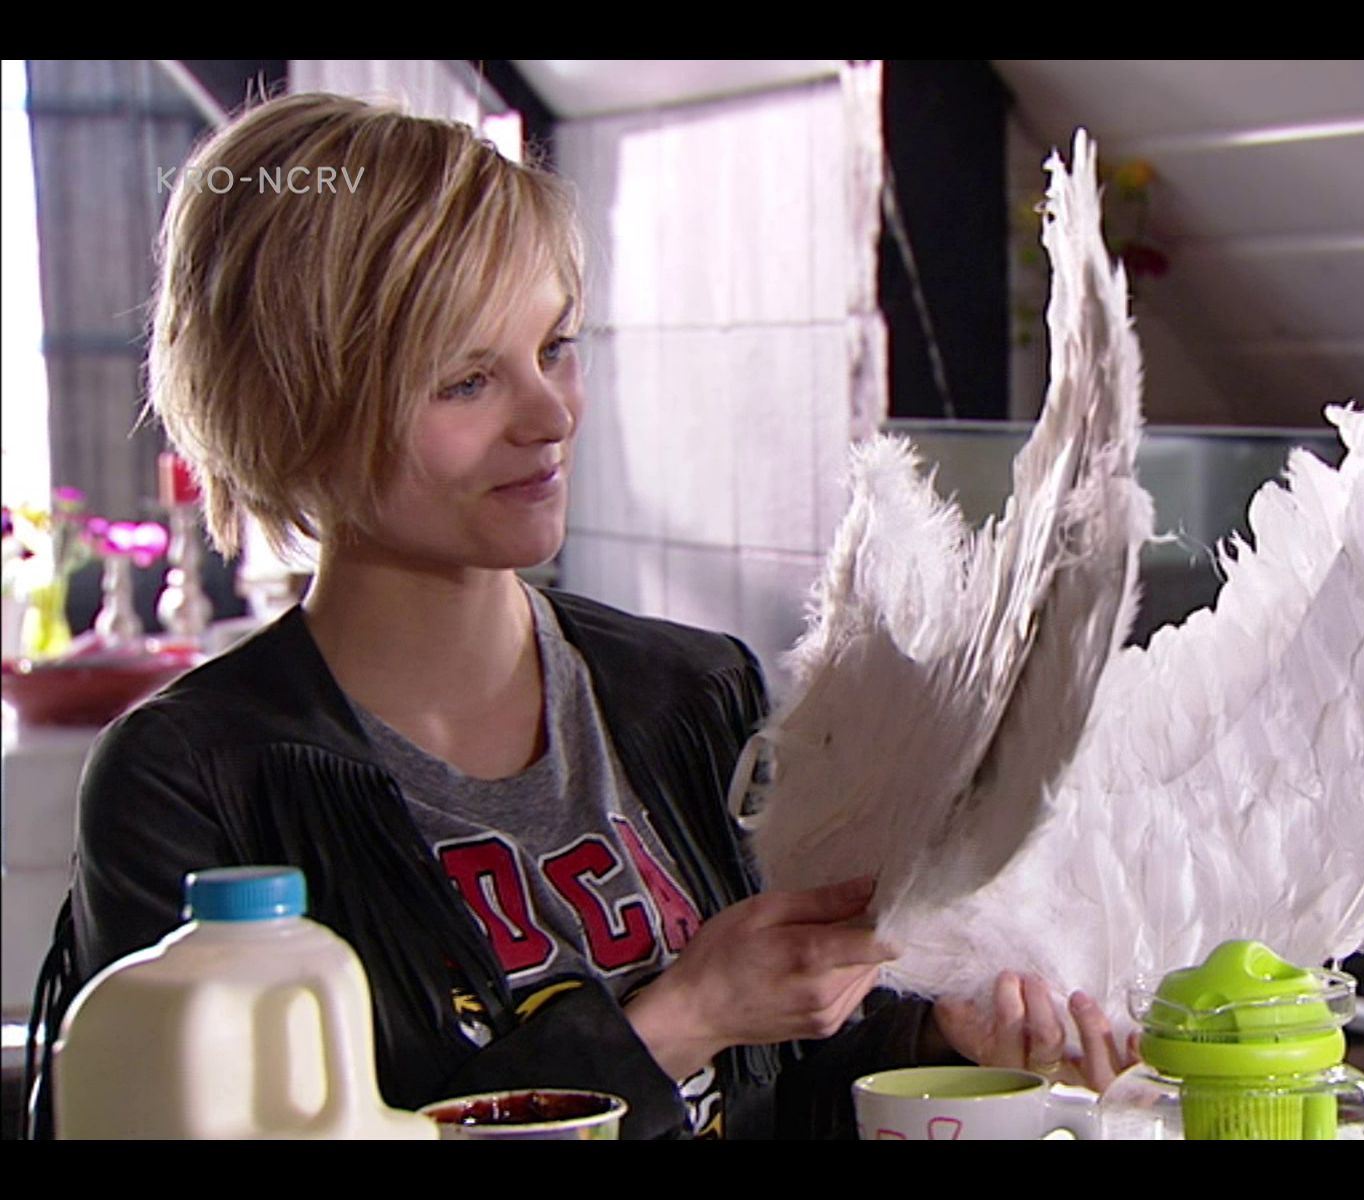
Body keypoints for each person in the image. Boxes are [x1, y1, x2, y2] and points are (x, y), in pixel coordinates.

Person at [23, 91, 1128, 1141]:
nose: (550, 413)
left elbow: (783, 1076)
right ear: (293, 409)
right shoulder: (193, 780)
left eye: (556, 346)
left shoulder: (694, 694)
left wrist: (936, 1046)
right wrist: (677, 1020)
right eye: (466, 382)